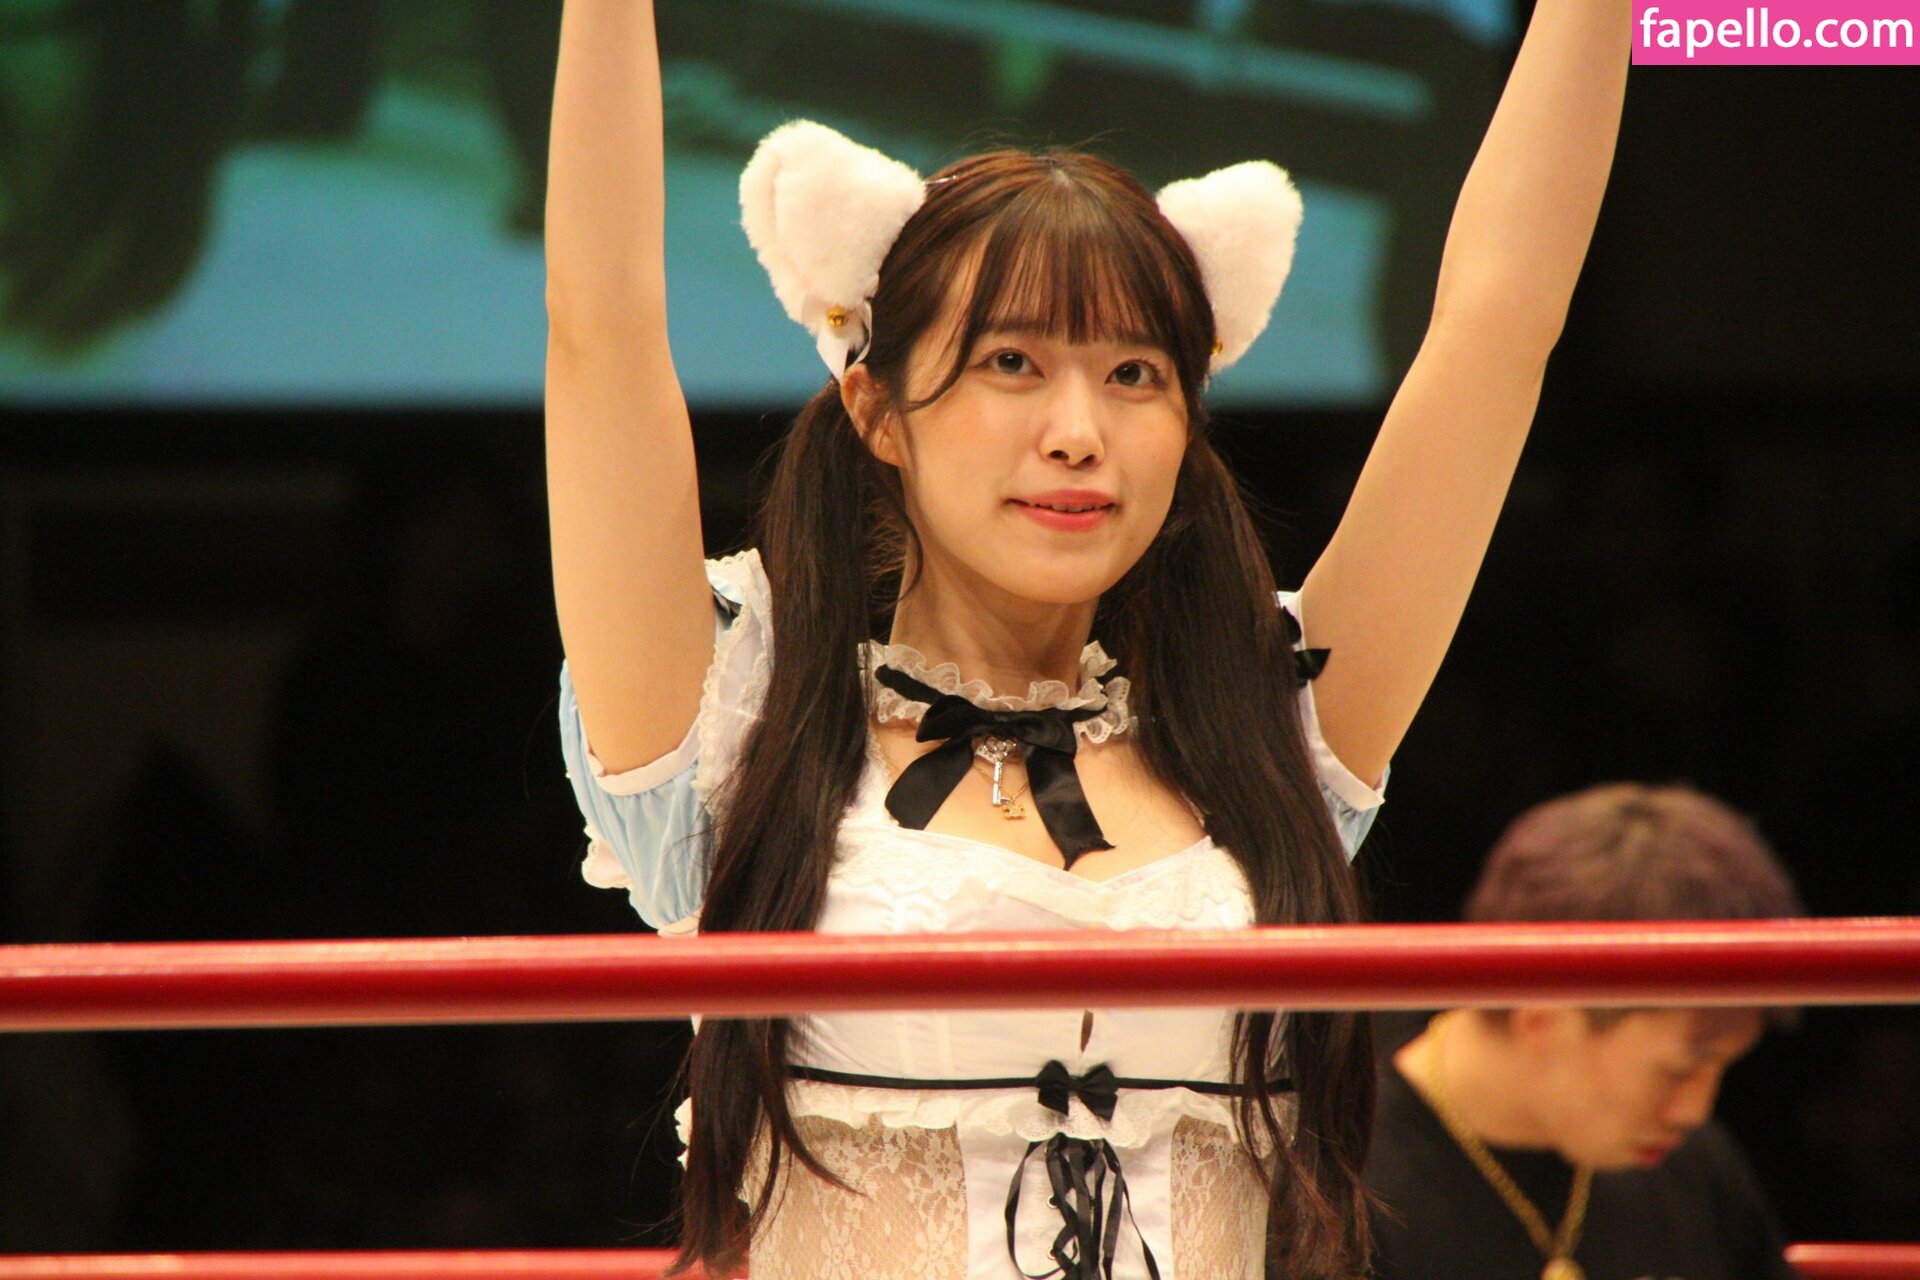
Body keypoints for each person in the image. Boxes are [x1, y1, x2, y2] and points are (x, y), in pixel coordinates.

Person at [544, 3, 1627, 1276]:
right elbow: (600, 324)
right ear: (876, 408)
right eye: (1012, 362)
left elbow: (1499, 325)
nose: (1079, 433)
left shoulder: (1265, 733)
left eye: (1134, 374)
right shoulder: (744, 727)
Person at [1367, 784, 1804, 1280]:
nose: (1694, 1111)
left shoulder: (1695, 1170)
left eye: (1723, 1066)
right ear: (1543, 1021)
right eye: (1680, 1070)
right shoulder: (1348, 1179)